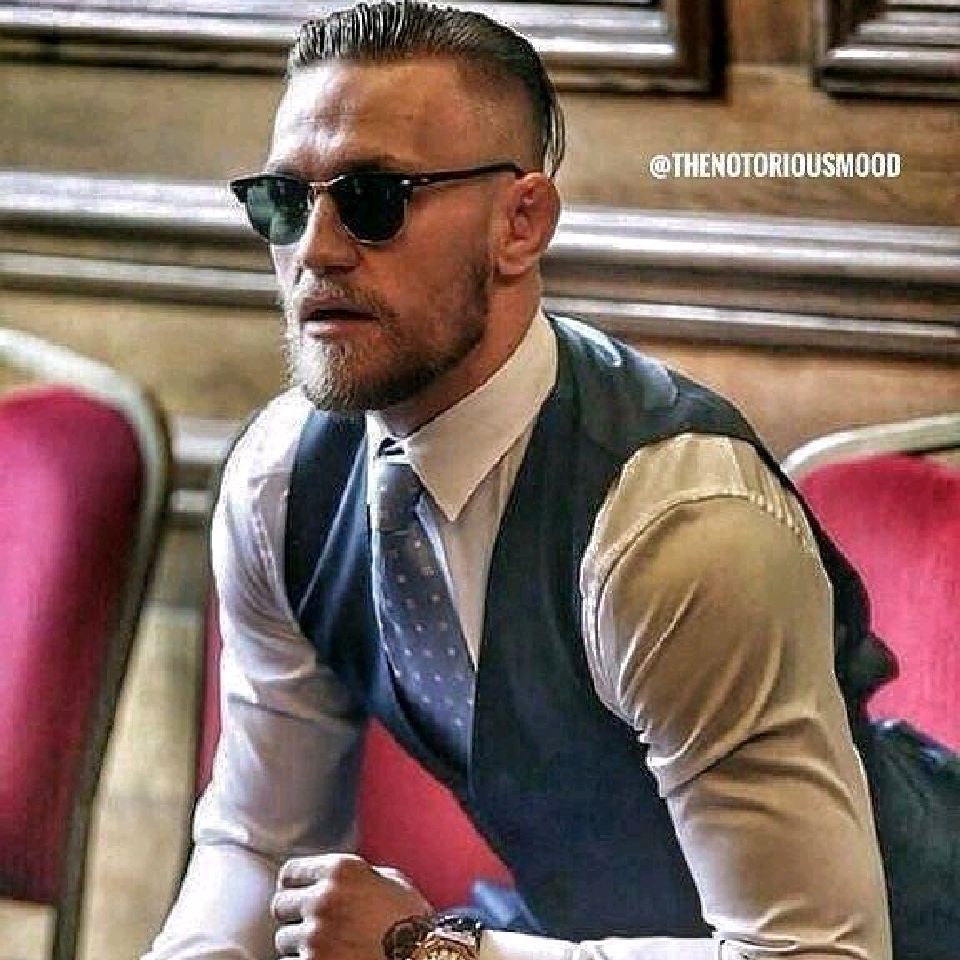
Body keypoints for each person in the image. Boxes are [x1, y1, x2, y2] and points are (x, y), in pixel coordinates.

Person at [145, 3, 892, 959]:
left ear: (520, 223)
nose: (317, 249)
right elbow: (258, 842)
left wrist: (437, 953)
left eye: (374, 198)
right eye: (285, 200)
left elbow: (815, 955)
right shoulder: (278, 485)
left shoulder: (676, 525)